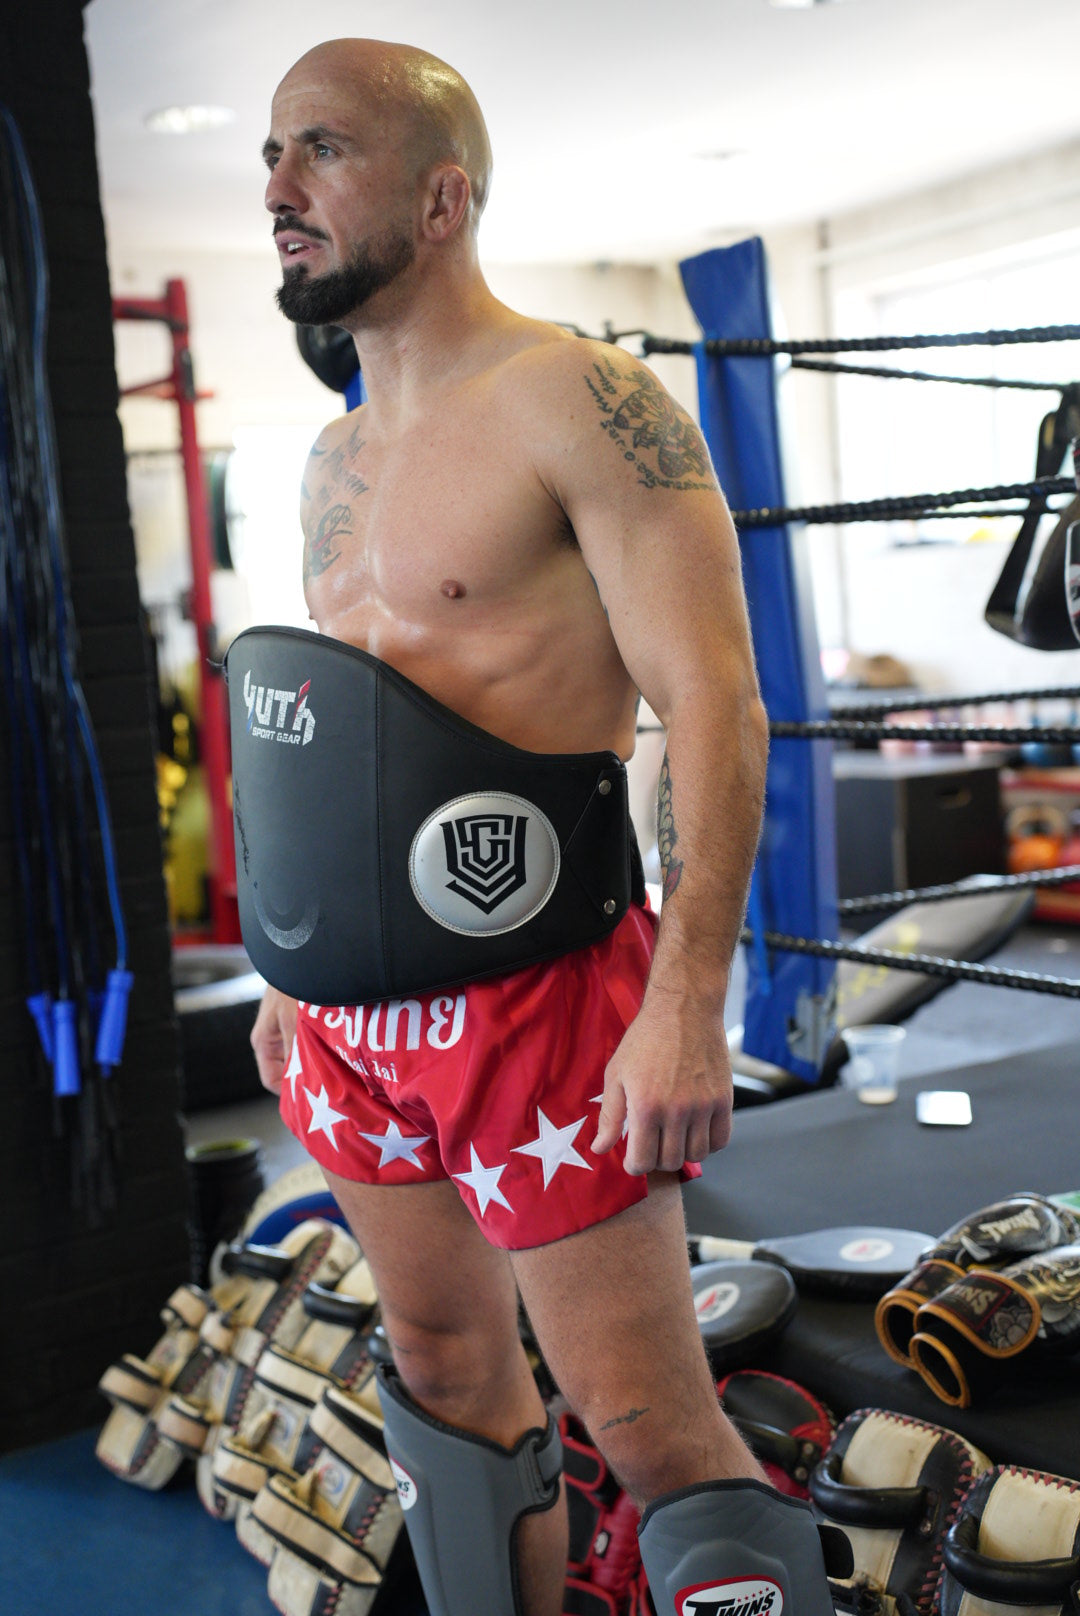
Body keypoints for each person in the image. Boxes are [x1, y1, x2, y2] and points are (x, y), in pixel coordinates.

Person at [249, 38, 844, 1616]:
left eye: (322, 150)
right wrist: (294, 978)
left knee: (645, 1422)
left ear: (442, 198)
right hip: (354, 1018)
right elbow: (347, 733)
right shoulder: (329, 458)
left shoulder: (581, 397)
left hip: (542, 995)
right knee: (443, 1364)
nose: (279, 188)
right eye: (271, 156)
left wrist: (689, 1002)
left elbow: (716, 704)